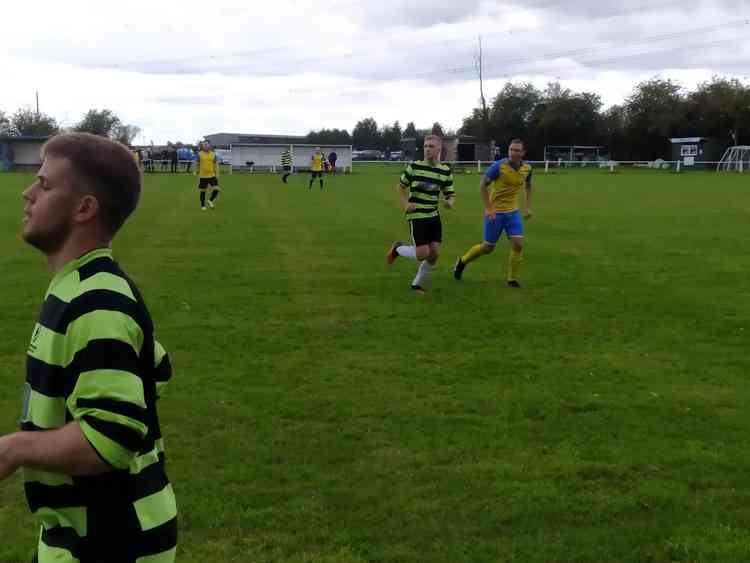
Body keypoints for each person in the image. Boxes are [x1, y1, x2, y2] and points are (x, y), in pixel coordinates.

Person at [0, 132, 177, 562]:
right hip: (81, 533)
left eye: (44, 185)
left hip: (108, 540)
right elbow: (157, 366)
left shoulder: (98, 300)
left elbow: (110, 437)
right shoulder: (80, 286)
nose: (27, 193)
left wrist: (13, 449)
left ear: (84, 208)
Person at [453, 138, 533, 287]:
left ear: (523, 153)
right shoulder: (499, 166)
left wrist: (528, 207)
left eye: (516, 150)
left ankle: (512, 279)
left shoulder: (527, 169)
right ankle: (462, 261)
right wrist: (489, 208)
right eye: (511, 149)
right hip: (495, 213)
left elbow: (528, 186)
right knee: (488, 248)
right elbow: (482, 185)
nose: (513, 153)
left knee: (518, 245)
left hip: (513, 213)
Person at [386, 134, 455, 292]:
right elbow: (401, 187)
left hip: (433, 215)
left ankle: (416, 284)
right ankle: (398, 248)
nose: (427, 149)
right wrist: (406, 203)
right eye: (425, 146)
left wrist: (449, 203)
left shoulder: (445, 171)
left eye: (431, 146)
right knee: (422, 254)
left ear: (439, 149)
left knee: (434, 254)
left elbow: (450, 194)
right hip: (417, 215)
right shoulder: (414, 167)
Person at [196, 141, 220, 210]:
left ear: (209, 145)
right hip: (203, 176)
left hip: (212, 175)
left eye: (206, 144)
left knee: (217, 189)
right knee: (203, 191)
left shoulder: (213, 154)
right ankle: (202, 205)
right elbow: (197, 163)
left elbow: (216, 164)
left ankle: (210, 201)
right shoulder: (199, 154)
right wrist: (195, 171)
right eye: (204, 145)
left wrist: (217, 173)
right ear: (202, 146)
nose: (205, 146)